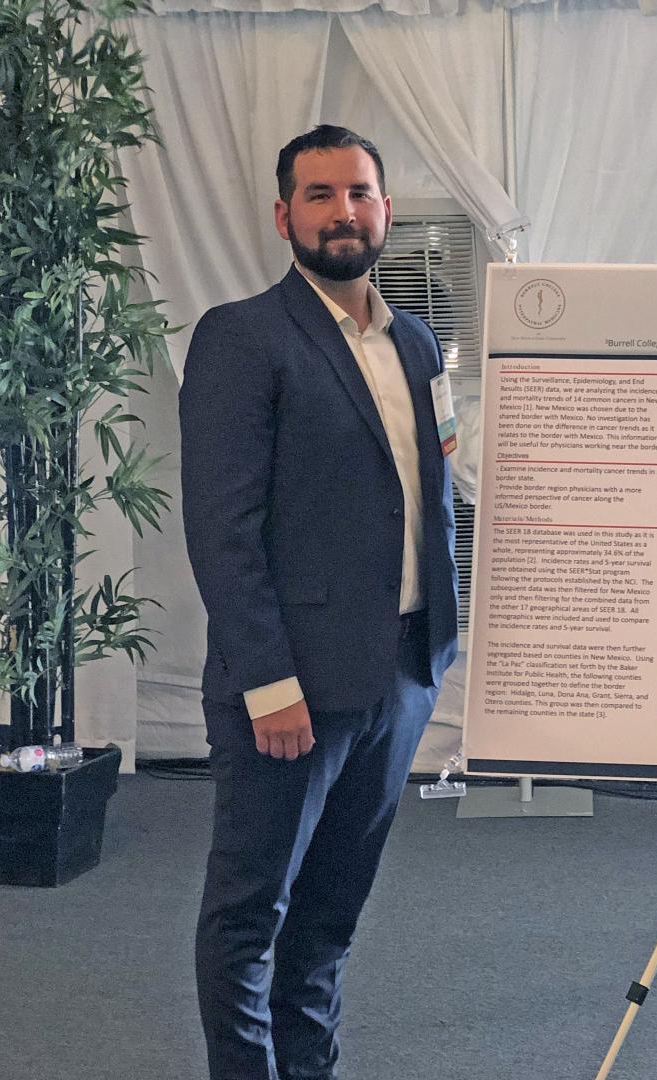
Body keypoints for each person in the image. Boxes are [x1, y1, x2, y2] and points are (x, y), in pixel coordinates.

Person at [180, 125, 459, 1080]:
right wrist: (268, 684)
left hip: (401, 674)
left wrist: (437, 651)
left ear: (386, 209)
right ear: (283, 215)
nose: (344, 212)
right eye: (320, 194)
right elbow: (223, 533)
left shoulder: (417, 341)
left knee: (330, 916)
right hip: (291, 691)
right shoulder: (242, 338)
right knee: (250, 920)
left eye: (360, 193)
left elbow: (430, 493)